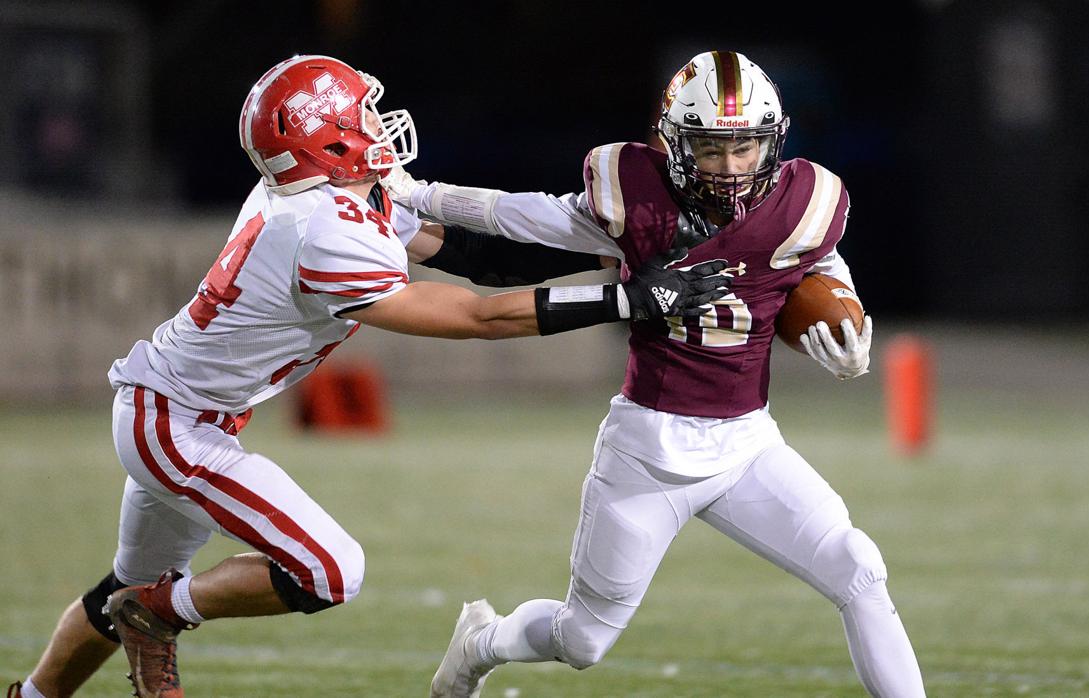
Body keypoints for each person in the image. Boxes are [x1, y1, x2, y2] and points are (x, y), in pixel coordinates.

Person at [4, 55, 729, 698]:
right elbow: (476, 317)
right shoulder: (321, 226)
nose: (376, 122)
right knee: (329, 570)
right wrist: (625, 301)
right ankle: (159, 616)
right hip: (175, 424)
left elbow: (474, 257)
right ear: (322, 136)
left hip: (175, 411)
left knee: (119, 587)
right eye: (359, 112)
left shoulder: (335, 198)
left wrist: (621, 253)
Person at [385, 50, 926, 698]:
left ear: (772, 143)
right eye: (710, 149)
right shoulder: (635, 200)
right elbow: (517, 215)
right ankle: (483, 642)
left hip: (748, 447)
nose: (730, 168)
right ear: (674, 145)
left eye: (745, 148)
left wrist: (850, 319)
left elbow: (823, 257)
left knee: (858, 568)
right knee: (582, 640)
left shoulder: (805, 202)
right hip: (648, 452)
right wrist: (417, 195)